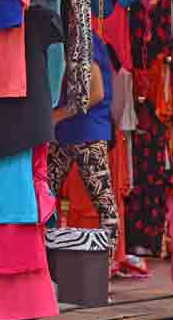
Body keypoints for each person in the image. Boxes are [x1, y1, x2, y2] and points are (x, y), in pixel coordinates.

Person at [47, 33, 119, 266]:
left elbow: (95, 92)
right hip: (66, 132)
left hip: (87, 131)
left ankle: (102, 275)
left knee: (104, 205)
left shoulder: (84, 38)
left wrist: (57, 115)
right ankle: (46, 267)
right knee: (44, 199)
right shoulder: (70, 38)